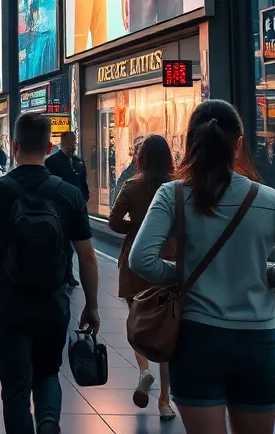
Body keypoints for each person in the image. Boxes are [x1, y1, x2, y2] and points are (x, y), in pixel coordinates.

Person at [130, 100, 275, 434]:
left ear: (190, 143)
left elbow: (141, 260)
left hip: (197, 342)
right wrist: (266, 273)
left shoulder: (172, 195)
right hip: (258, 345)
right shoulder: (269, 200)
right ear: (238, 144)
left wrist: (183, 273)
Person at [0, 111, 100, 434]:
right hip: (53, 302)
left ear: (13, 145)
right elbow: (88, 257)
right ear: (50, 146)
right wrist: (92, 305)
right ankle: (49, 422)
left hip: (7, 302)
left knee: (14, 387)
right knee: (47, 373)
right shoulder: (69, 194)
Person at [108, 134, 176, 421]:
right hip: (169, 258)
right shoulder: (178, 188)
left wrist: (136, 229)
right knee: (168, 326)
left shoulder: (132, 186)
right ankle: (165, 401)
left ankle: (144, 372)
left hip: (135, 257)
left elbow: (113, 221)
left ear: (141, 158)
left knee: (137, 320)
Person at [45, 130, 91, 287]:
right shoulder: (52, 162)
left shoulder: (79, 162)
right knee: (63, 244)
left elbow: (83, 184)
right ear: (62, 142)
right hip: (59, 209)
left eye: (74, 142)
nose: (72, 146)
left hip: (76, 208)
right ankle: (63, 272)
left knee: (75, 244)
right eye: (70, 142)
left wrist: (84, 198)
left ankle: (68, 272)